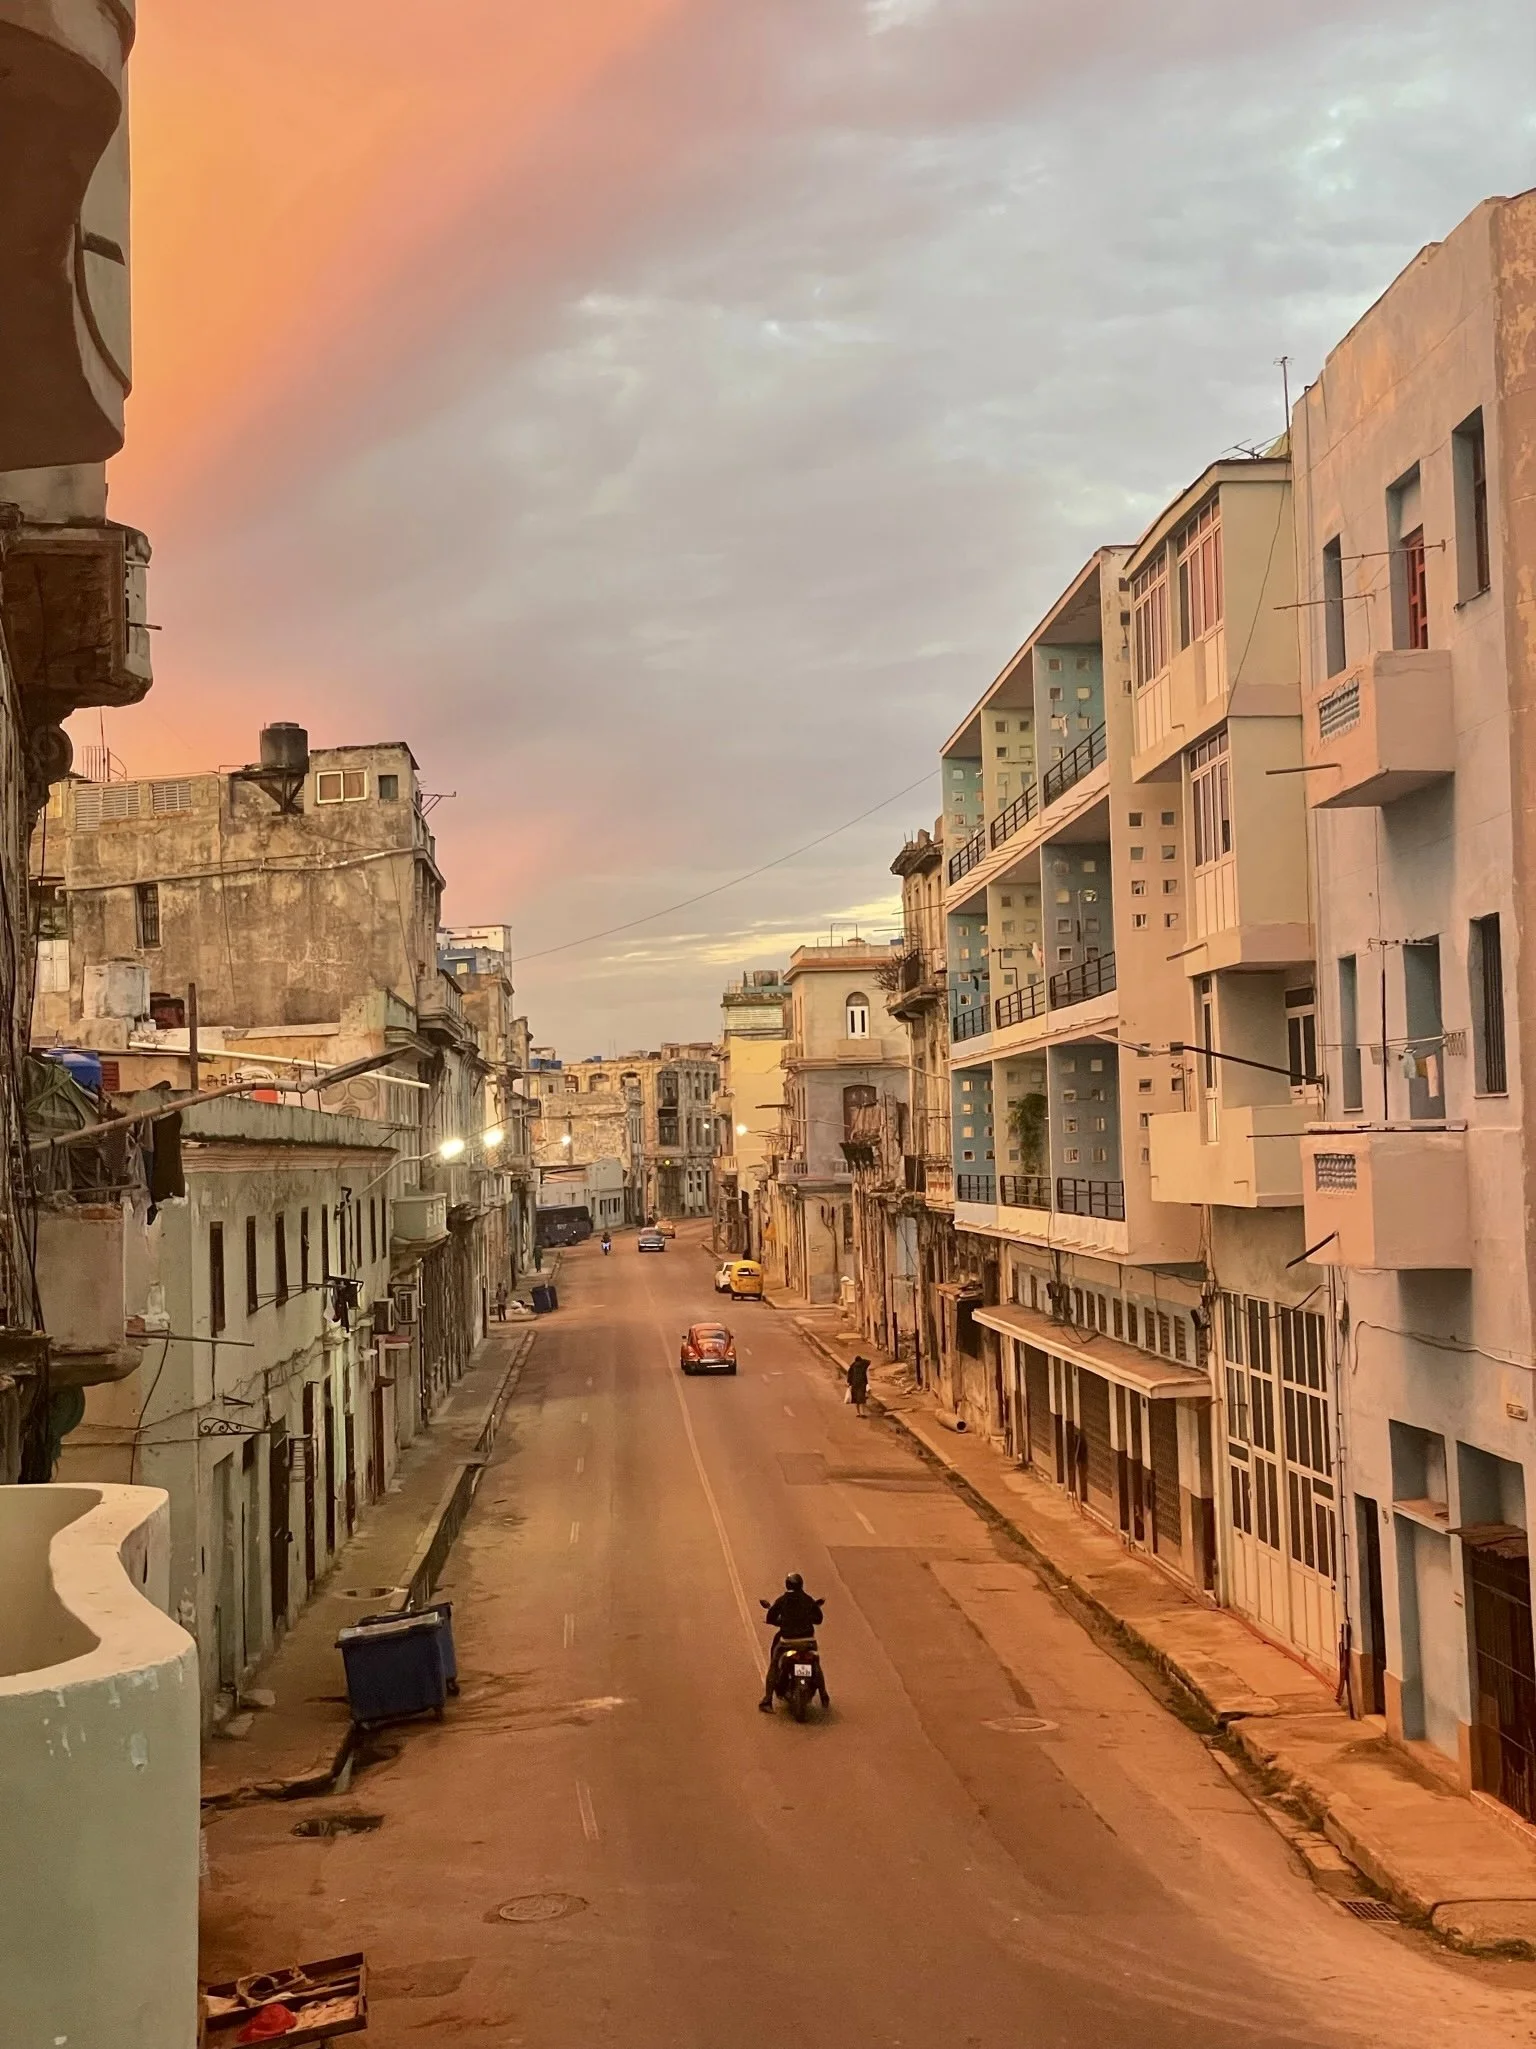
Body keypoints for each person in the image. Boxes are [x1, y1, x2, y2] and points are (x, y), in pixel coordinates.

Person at [759, 1572, 825, 1711]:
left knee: (774, 1665)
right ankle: (824, 1695)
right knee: (816, 1662)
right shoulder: (808, 1600)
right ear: (801, 1585)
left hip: (787, 1642)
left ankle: (767, 1701)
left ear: (787, 1585)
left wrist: (782, 1621)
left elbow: (771, 1618)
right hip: (808, 1642)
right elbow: (818, 1619)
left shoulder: (782, 1600)